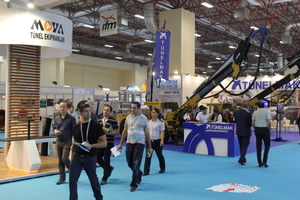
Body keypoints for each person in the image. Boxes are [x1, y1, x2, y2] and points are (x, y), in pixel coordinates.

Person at [69, 103, 107, 200]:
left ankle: (99, 198)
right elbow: (74, 142)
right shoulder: (76, 127)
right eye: (86, 111)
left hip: (90, 157)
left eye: (90, 111)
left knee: (94, 181)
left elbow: (104, 143)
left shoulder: (96, 125)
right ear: (81, 113)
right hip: (76, 157)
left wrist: (92, 146)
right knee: (72, 182)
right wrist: (71, 154)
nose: (88, 113)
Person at [117, 101, 152, 192]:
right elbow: (125, 131)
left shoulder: (144, 118)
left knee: (136, 164)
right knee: (129, 163)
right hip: (129, 143)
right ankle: (139, 173)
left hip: (139, 143)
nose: (132, 109)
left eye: (134, 108)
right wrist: (120, 143)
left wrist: (149, 146)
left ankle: (134, 184)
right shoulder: (128, 118)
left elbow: (147, 133)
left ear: (139, 109)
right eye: (131, 108)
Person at [54, 102, 76, 185]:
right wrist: (55, 131)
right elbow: (54, 127)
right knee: (60, 161)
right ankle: (62, 177)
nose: (62, 108)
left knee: (64, 159)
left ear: (67, 108)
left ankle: (73, 172)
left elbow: (74, 130)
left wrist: (75, 140)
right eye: (61, 107)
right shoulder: (57, 118)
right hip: (59, 140)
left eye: (64, 107)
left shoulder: (71, 119)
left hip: (67, 141)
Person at [97, 104, 119, 185]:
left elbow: (116, 131)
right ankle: (109, 169)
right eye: (104, 110)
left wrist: (108, 133)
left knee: (106, 160)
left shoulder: (113, 121)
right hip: (100, 142)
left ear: (110, 112)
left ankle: (105, 177)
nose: (105, 112)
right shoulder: (99, 120)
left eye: (107, 110)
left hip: (109, 143)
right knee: (97, 158)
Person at [143, 108, 166, 176]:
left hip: (157, 141)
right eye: (152, 112)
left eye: (154, 112)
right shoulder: (149, 122)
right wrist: (145, 138)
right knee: (148, 156)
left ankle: (162, 168)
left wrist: (162, 140)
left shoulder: (161, 122)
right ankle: (146, 171)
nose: (153, 114)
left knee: (159, 155)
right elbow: (147, 131)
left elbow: (162, 132)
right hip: (150, 142)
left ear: (158, 114)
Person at [252, 101, 271, 167]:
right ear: (264, 105)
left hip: (257, 129)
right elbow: (269, 121)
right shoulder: (266, 112)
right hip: (265, 129)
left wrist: (255, 128)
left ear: (258, 106)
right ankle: (265, 161)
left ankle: (259, 163)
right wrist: (269, 129)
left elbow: (253, 122)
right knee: (267, 146)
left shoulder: (255, 112)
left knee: (258, 146)